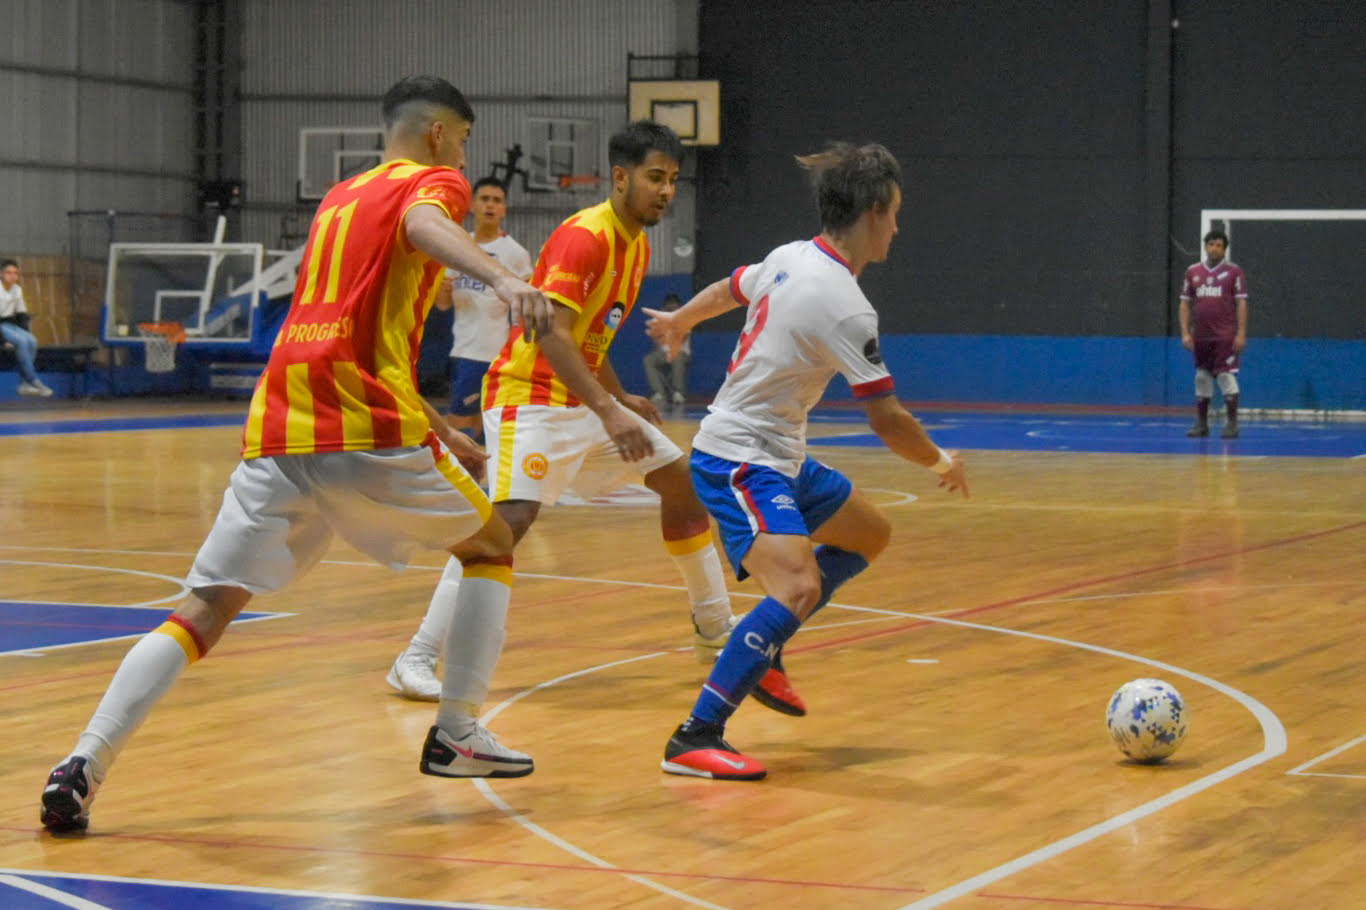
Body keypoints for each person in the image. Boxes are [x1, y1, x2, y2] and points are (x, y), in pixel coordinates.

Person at [39, 75, 556, 834]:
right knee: (491, 545)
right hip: (364, 426)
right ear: (443, 135)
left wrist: (441, 430)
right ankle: (456, 732)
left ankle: (82, 763)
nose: (464, 155)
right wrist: (503, 275)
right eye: (466, 139)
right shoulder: (433, 182)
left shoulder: (340, 199)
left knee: (203, 609)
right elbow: (420, 223)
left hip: (283, 423)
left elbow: (347, 329)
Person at [384, 121, 803, 717]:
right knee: (507, 525)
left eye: (673, 181)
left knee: (680, 483)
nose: (665, 191)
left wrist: (618, 396)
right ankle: (417, 657)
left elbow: (589, 338)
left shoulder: (636, 244)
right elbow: (549, 331)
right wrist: (607, 409)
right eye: (655, 178)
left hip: (579, 400)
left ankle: (713, 625)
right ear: (620, 177)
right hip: (527, 396)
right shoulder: (586, 237)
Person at [647, 142, 970, 781]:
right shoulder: (846, 305)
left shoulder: (790, 256)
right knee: (797, 586)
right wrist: (939, 460)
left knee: (868, 533)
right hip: (739, 459)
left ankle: (765, 649)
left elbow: (726, 288)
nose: (899, 228)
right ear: (875, 211)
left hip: (780, 455)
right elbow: (888, 419)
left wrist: (683, 318)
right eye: (897, 214)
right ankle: (695, 735)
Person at [431, 176, 534, 444]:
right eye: (484, 199)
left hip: (491, 352)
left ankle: (456, 477)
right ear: (472, 206)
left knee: (457, 423)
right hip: (462, 350)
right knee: (479, 425)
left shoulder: (515, 254)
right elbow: (443, 305)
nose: (490, 205)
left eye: (497, 200)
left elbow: (527, 307)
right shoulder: (458, 247)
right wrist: (441, 292)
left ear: (504, 209)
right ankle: (481, 478)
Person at [1179, 229, 1249, 439]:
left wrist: (1241, 333)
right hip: (1201, 335)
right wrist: (1185, 332)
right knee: (1202, 375)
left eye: (1219, 245)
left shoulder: (1234, 272)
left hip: (1225, 335)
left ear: (1224, 249)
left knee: (1225, 374)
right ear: (1205, 246)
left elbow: (1241, 302)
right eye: (1211, 244)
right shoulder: (1193, 272)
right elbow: (1184, 303)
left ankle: (1232, 424)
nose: (1214, 248)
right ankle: (1201, 424)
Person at [1, 259, 54, 397]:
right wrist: (2, 342)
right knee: (22, 342)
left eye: (15, 273)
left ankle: (24, 384)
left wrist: (26, 333)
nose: (12, 276)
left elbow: (22, 315)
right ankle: (33, 380)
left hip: (9, 324)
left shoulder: (17, 290)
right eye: (8, 273)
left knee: (31, 340)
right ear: (1, 274)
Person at [642, 293, 690, 409]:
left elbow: (681, 337)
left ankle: (678, 393)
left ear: (678, 306)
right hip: (663, 353)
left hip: (680, 352)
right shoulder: (658, 319)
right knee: (648, 360)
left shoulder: (685, 317)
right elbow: (657, 340)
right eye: (669, 305)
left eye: (674, 304)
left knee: (677, 356)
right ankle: (659, 393)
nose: (671, 307)